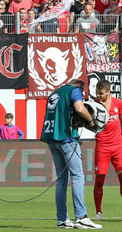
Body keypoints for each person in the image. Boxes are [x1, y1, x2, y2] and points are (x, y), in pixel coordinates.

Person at [41, 78, 102, 229]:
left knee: (62, 179)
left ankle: (62, 220)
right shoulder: (74, 91)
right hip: (66, 138)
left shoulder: (55, 93)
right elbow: (80, 108)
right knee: (77, 176)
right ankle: (81, 217)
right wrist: (91, 122)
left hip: (51, 138)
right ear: (80, 88)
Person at [92, 79, 122, 221]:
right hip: (102, 146)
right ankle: (98, 212)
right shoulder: (94, 105)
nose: (98, 95)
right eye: (97, 93)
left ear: (108, 93)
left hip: (117, 146)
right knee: (100, 179)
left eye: (101, 93)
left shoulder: (118, 103)